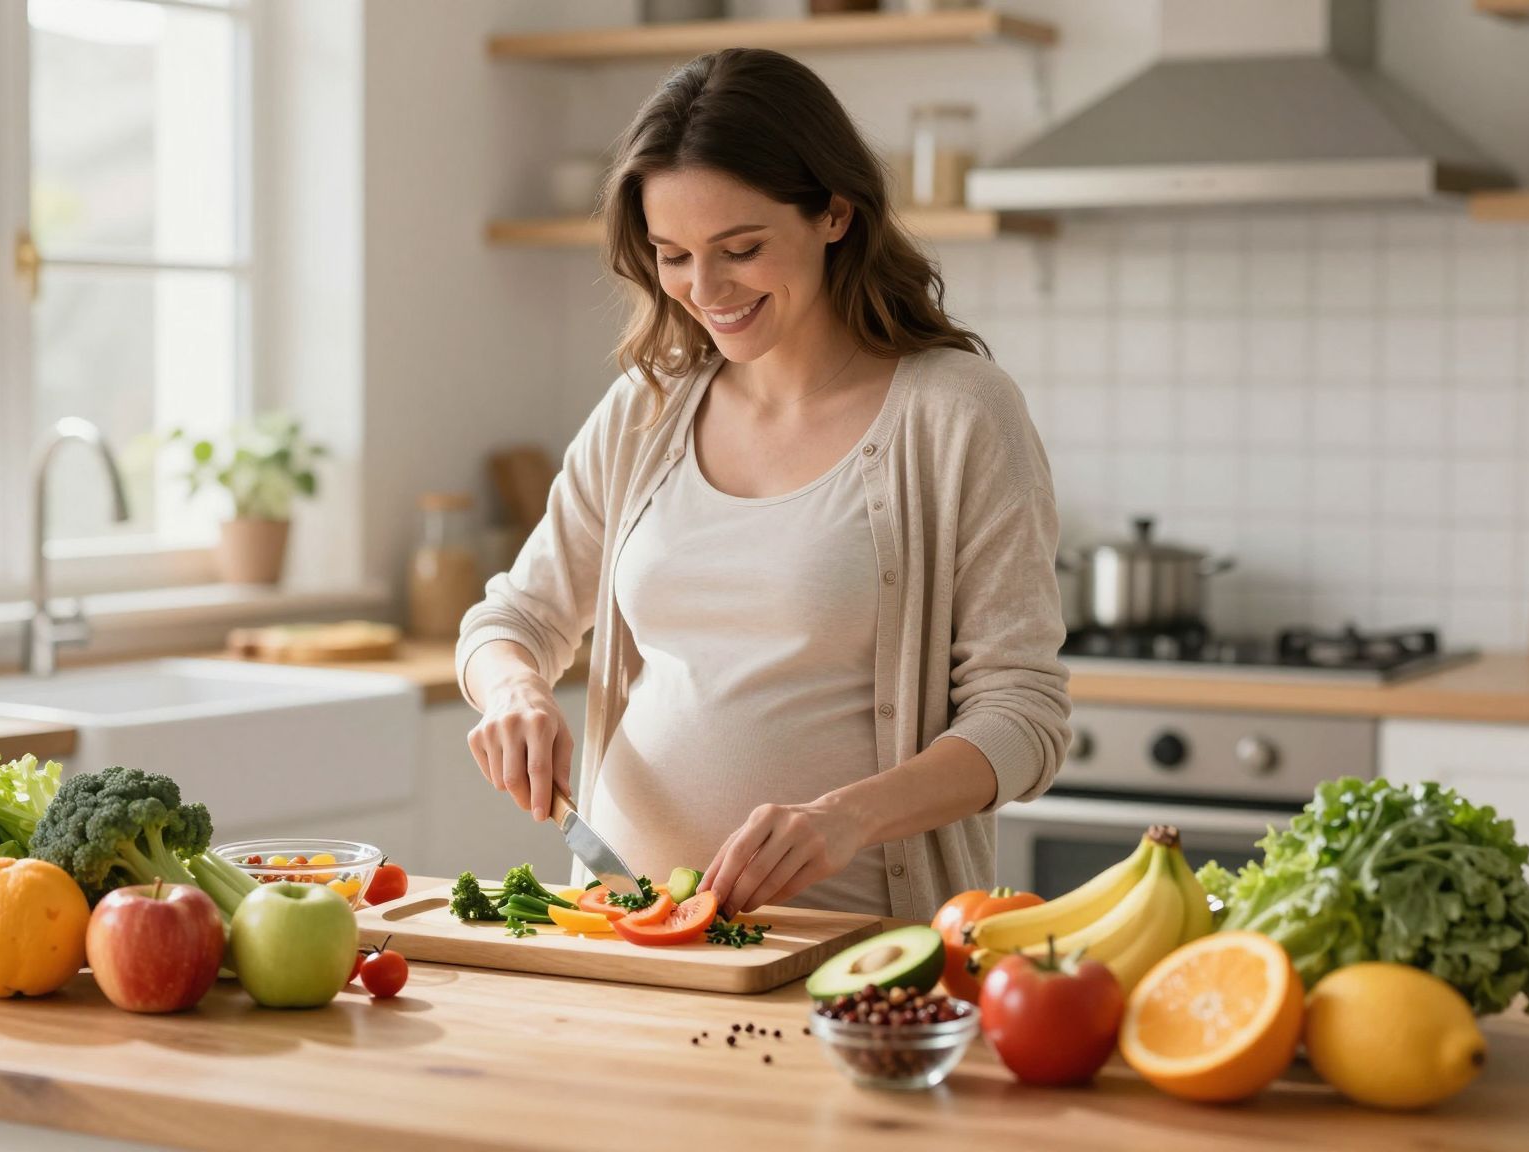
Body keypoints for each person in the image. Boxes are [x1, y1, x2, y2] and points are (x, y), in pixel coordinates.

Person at [454, 48, 1069, 921]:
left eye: (740, 248)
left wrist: (845, 820)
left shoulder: (957, 412)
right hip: (630, 927)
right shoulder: (648, 407)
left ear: (835, 214)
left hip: (856, 950)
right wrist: (515, 691)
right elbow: (511, 619)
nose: (705, 290)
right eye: (672, 255)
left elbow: (1025, 716)